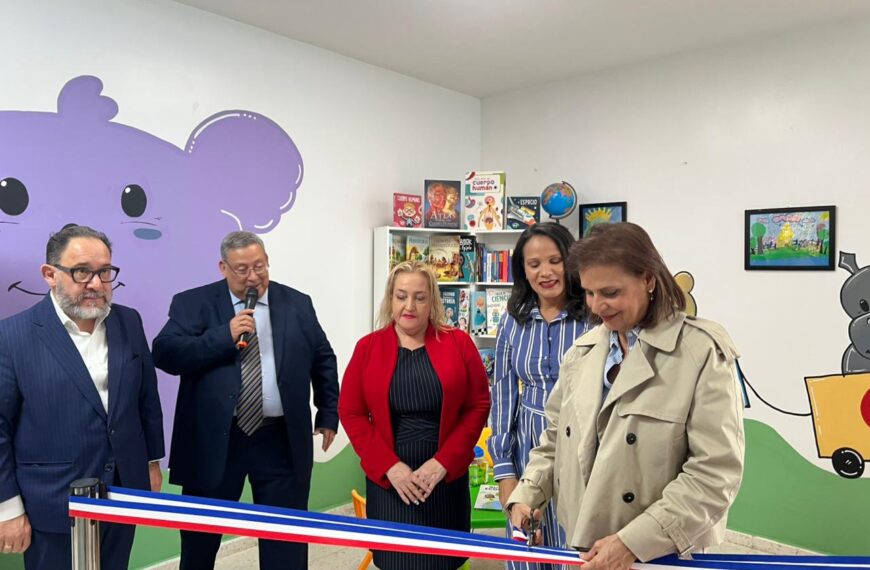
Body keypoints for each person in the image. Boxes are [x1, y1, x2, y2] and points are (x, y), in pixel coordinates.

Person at [507, 222, 744, 570]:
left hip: (659, 554)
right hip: (585, 550)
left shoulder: (700, 353)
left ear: (648, 279)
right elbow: (555, 440)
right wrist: (528, 494)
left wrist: (633, 542)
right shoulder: (583, 353)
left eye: (610, 292)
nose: (597, 306)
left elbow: (714, 473)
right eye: (589, 293)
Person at [152, 230, 339, 570]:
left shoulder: (297, 303)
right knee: (200, 539)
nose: (254, 277)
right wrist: (223, 335)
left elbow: (323, 357)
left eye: (260, 266)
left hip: (280, 437)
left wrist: (327, 413)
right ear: (223, 267)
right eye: (242, 269)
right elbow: (165, 353)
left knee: (286, 536)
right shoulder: (193, 303)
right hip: (215, 440)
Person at [0, 224, 164, 569]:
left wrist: (150, 463)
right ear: (50, 274)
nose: (96, 284)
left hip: (123, 487)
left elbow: (147, 399)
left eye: (105, 272)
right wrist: (8, 508)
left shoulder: (128, 322)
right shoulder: (12, 336)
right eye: (81, 272)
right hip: (52, 500)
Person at [339, 261, 490, 570]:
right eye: (401, 296)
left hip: (444, 477)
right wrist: (390, 468)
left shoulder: (458, 343)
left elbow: (478, 404)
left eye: (420, 297)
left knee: (442, 561)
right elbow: (351, 412)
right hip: (392, 481)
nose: (409, 306)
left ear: (432, 301)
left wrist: (442, 464)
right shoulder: (368, 348)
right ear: (390, 299)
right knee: (399, 561)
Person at [487, 222, 588, 570]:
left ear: (571, 262)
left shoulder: (594, 318)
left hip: (581, 450)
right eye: (534, 264)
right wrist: (505, 472)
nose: (545, 272)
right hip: (526, 450)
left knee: (574, 551)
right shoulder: (514, 320)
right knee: (525, 552)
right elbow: (502, 394)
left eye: (555, 260)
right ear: (523, 271)